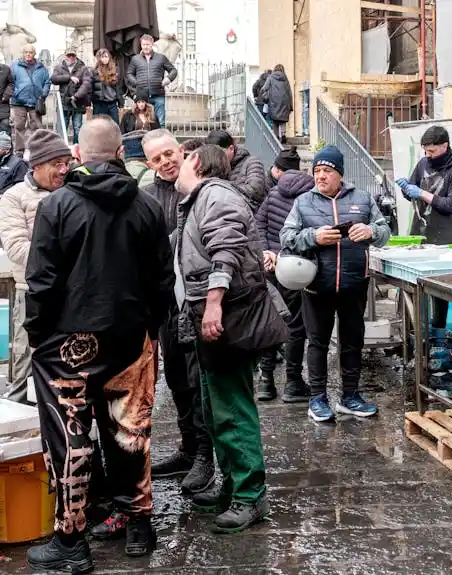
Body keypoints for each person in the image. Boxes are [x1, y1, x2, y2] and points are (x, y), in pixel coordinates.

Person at [24, 117, 174, 571]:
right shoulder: (147, 206)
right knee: (132, 430)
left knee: (69, 433)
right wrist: (151, 329)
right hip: (131, 336)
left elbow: (41, 281)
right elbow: (162, 278)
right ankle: (138, 521)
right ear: (119, 154)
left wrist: (37, 335)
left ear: (78, 155)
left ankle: (71, 539)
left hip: (70, 342)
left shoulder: (57, 205)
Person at [175, 144, 286, 533]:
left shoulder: (216, 195)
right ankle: (233, 485)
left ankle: (250, 496)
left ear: (197, 163)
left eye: (183, 159)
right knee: (217, 409)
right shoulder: (202, 197)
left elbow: (225, 250)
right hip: (215, 323)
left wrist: (213, 305)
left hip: (229, 321)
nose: (176, 166)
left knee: (233, 411)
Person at [281, 145, 391, 422]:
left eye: (327, 171)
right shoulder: (303, 202)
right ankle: (317, 398)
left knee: (352, 341)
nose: (320, 176)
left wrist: (370, 231)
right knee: (317, 342)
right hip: (317, 285)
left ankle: (350, 397)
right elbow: (287, 237)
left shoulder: (362, 198)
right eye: (317, 171)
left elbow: (385, 232)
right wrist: (313, 237)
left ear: (340, 174)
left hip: (354, 284)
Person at [140, 129, 215, 496]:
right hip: (166, 303)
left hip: (198, 299)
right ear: (148, 163)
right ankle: (188, 448)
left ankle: (205, 455)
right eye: (157, 158)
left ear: (181, 150)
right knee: (177, 380)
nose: (166, 162)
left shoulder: (198, 186)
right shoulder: (146, 197)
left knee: (200, 378)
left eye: (169, 153)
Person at [0, 130, 72, 404]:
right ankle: (18, 412)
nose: (64, 170)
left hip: (71, 292)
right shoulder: (14, 197)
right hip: (30, 292)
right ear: (37, 165)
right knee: (24, 361)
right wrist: (66, 253)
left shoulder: (73, 193)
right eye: (57, 164)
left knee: (68, 362)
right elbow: (17, 248)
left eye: (67, 163)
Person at [395, 125, 452, 332]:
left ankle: (438, 332)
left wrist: (422, 193)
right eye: (425, 151)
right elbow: (412, 192)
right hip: (419, 231)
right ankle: (412, 332)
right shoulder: (423, 164)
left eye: (432, 151)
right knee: (412, 283)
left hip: (443, 235)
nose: (428, 155)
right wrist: (406, 189)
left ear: (445, 145)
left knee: (439, 288)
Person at [254, 146, 310, 402]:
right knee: (296, 326)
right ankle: (293, 382)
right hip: (298, 268)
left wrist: (268, 252)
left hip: (271, 268)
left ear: (278, 171)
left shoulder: (273, 193)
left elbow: (258, 224)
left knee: (272, 321)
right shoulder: (311, 195)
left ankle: (265, 382)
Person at [204, 129, 267, 211]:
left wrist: (222, 189)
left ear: (231, 148)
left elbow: (255, 191)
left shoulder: (252, 162)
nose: (216, 158)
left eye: (219, 153)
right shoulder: (214, 167)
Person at [124, 34, 177, 126]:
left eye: (148, 44)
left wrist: (167, 80)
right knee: (144, 123)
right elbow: (129, 74)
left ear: (152, 44)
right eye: (143, 44)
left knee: (161, 122)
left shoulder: (161, 58)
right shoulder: (135, 59)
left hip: (158, 95)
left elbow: (173, 71)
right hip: (142, 97)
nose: (145, 47)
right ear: (141, 45)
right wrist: (137, 83)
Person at [9, 44, 50, 156]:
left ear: (34, 54)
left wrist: (43, 94)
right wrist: (15, 93)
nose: (28, 54)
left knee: (37, 127)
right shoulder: (15, 66)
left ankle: (36, 150)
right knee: (19, 127)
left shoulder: (41, 67)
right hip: (19, 101)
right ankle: (19, 151)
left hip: (35, 101)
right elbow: (10, 81)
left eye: (30, 52)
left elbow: (47, 82)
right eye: (26, 52)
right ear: (23, 53)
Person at [51, 50, 92, 145]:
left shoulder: (83, 68)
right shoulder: (59, 67)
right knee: (62, 127)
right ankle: (61, 148)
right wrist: (69, 77)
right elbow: (53, 79)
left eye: (73, 55)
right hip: (64, 102)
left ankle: (76, 147)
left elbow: (86, 84)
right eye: (69, 55)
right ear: (65, 56)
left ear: (76, 56)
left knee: (77, 127)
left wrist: (77, 96)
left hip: (78, 102)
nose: (71, 57)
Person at [261, 64, 292, 143]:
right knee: (283, 120)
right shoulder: (285, 78)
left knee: (275, 121)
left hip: (273, 102)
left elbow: (264, 88)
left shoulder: (270, 77)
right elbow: (289, 92)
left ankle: (276, 137)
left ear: (275, 69)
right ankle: (283, 134)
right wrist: (290, 106)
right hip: (284, 102)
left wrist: (263, 95)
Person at [91, 48, 121, 123]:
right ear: (99, 58)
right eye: (102, 57)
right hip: (99, 103)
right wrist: (90, 101)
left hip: (112, 103)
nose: (105, 59)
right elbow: (91, 88)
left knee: (115, 125)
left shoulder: (115, 70)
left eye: (106, 56)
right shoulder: (94, 71)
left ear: (109, 57)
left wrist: (121, 102)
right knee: (99, 126)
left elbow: (118, 87)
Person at [0, 61, 13, 134]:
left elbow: (11, 83)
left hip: (3, 105)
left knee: (5, 132)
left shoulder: (5, 69)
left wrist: (6, 95)